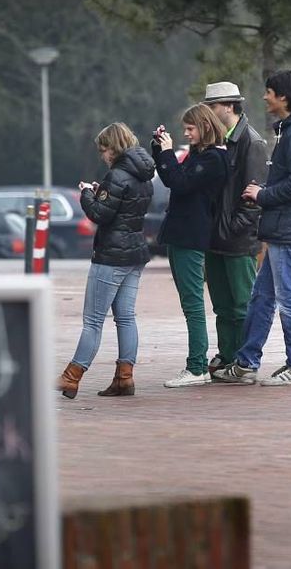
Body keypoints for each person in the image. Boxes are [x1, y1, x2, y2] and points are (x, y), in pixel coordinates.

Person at [213, 70, 291, 386]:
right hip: (282, 227)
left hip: (289, 228)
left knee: (288, 297)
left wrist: (263, 194)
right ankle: (246, 363)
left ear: (283, 98)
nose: (265, 98)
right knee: (262, 297)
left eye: (269, 92)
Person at [56, 123, 155, 399]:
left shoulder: (118, 175)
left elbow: (100, 215)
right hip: (135, 253)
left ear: (115, 147)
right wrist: (103, 192)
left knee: (93, 321)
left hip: (111, 256)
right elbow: (125, 208)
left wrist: (88, 193)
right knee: (125, 317)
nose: (102, 155)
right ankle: (125, 378)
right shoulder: (144, 174)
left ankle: (71, 376)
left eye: (104, 150)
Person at [154, 104, 229, 388]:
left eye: (190, 128)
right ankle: (197, 364)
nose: (187, 133)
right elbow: (171, 176)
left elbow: (178, 182)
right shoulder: (201, 155)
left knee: (193, 303)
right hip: (183, 233)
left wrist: (166, 153)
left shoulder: (212, 159)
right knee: (191, 302)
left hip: (190, 234)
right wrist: (158, 148)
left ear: (205, 126)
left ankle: (197, 365)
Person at [201, 82, 271, 373]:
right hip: (214, 236)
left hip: (238, 238)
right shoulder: (216, 141)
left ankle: (244, 360)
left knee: (242, 303)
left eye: (212, 107)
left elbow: (254, 196)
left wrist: (233, 227)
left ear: (228, 106)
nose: (209, 113)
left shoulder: (250, 142)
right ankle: (227, 353)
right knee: (221, 304)